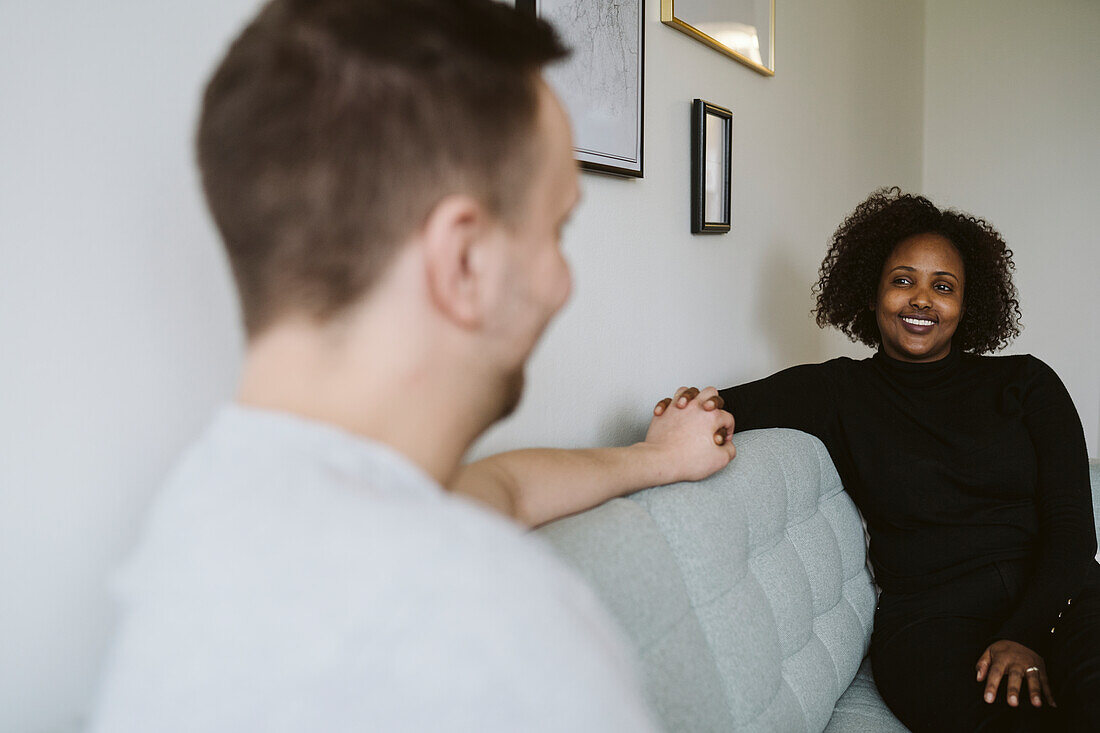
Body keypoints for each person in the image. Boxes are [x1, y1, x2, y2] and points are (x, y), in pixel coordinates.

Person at [86, 1, 737, 730]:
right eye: (558, 228)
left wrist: (655, 462)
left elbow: (502, 490)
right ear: (463, 260)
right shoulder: (493, 629)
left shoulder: (210, 507)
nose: (564, 280)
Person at [659, 188, 1099, 732]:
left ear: (968, 304)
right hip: (931, 624)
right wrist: (679, 422)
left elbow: (1073, 530)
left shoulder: (1028, 384)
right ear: (872, 292)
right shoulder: (838, 392)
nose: (921, 299)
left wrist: (1026, 632)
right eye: (902, 280)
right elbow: (725, 406)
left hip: (1060, 601)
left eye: (943, 287)